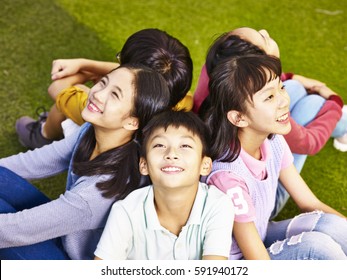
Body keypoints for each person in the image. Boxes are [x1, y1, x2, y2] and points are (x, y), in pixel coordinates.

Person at [0, 63, 171, 260]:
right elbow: (38, 161)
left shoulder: (98, 192)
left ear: (133, 121)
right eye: (104, 83)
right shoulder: (92, 130)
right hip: (65, 236)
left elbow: (16, 230)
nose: (98, 94)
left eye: (114, 95)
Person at [203, 53, 347, 260]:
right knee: (316, 247)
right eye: (269, 97)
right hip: (242, 261)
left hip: (261, 233)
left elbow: (308, 202)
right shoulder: (227, 178)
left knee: (332, 225)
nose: (283, 101)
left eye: (282, 88)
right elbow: (258, 262)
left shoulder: (273, 140)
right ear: (238, 117)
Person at [193, 27, 346, 217]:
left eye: (280, 88)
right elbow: (309, 143)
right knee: (314, 102)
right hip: (260, 204)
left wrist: (291, 79)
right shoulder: (266, 138)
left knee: (296, 88)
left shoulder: (219, 75)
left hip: (246, 141)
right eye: (263, 39)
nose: (265, 31)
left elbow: (310, 202)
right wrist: (334, 100)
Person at [15, 28, 193, 150]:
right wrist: (88, 65)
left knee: (76, 92)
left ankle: (43, 134)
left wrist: (84, 72)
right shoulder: (183, 99)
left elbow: (56, 87)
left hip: (108, 138)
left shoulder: (99, 107)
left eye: (119, 61)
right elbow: (142, 77)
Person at [94, 110, 234, 260]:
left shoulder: (218, 205)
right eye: (159, 145)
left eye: (185, 146)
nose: (171, 154)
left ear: (205, 165)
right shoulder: (126, 211)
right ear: (144, 165)